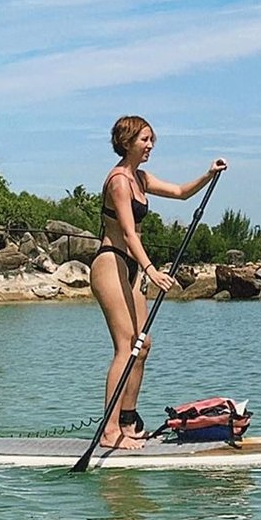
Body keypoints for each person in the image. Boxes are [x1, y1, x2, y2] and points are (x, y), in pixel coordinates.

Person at [90, 114, 228, 449]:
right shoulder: (119, 182)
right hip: (111, 263)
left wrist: (208, 174)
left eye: (152, 139)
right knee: (126, 347)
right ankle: (109, 431)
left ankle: (127, 421)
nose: (150, 145)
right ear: (126, 142)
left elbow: (180, 193)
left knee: (143, 345)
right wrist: (151, 269)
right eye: (144, 139)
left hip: (132, 267)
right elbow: (127, 232)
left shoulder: (140, 178)